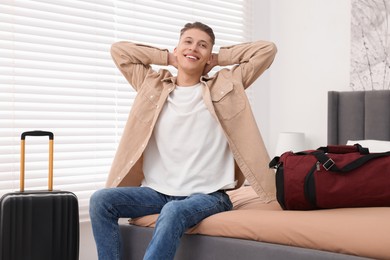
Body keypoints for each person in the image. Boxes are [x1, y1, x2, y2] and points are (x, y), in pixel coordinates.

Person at [90, 21, 277, 260]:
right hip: (158, 192)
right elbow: (120, 51)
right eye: (187, 42)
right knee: (101, 201)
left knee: (173, 211)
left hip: (209, 195)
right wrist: (168, 57)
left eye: (203, 45)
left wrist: (219, 59)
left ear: (209, 55)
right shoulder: (152, 86)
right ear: (176, 48)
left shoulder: (227, 86)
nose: (194, 48)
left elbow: (267, 50)